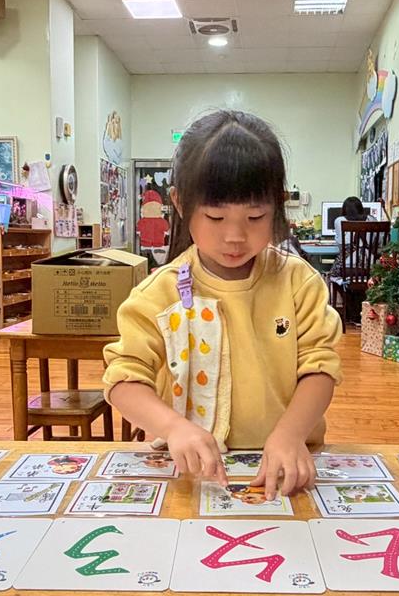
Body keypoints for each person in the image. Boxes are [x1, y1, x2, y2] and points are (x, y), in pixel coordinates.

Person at [103, 110, 342, 500]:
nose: (235, 236)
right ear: (180, 203)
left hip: (285, 469)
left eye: (255, 216)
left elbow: (321, 368)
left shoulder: (297, 282)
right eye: (215, 217)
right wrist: (173, 427)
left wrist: (290, 433)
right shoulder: (158, 293)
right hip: (192, 473)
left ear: (278, 205)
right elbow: (122, 380)